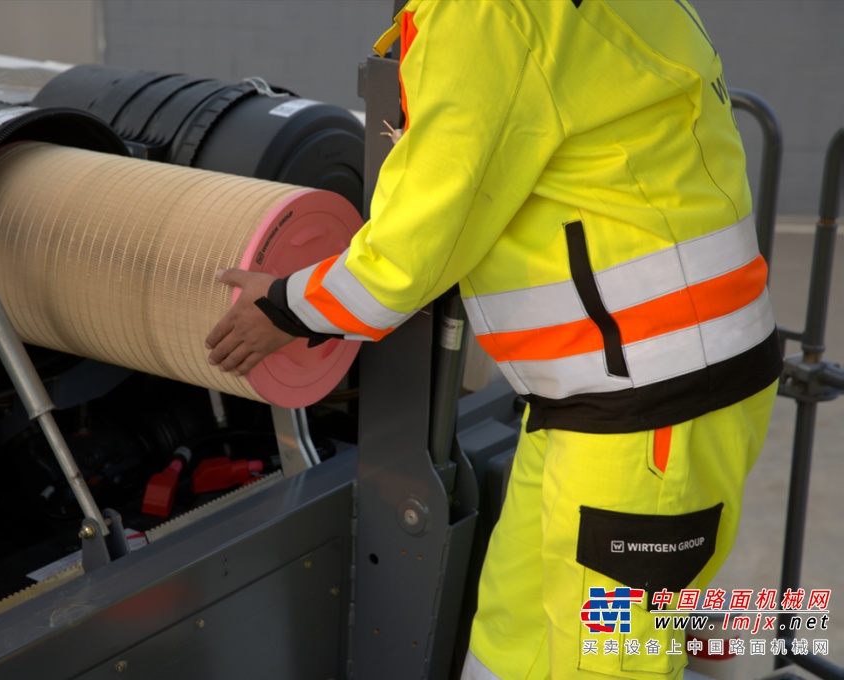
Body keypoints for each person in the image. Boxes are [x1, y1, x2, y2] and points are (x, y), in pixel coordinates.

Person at [206, 1, 782, 677]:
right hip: (609, 400)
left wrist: (283, 309)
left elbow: (418, 242)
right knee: (516, 646)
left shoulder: (486, 15)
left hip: (649, 417)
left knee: (607, 662)